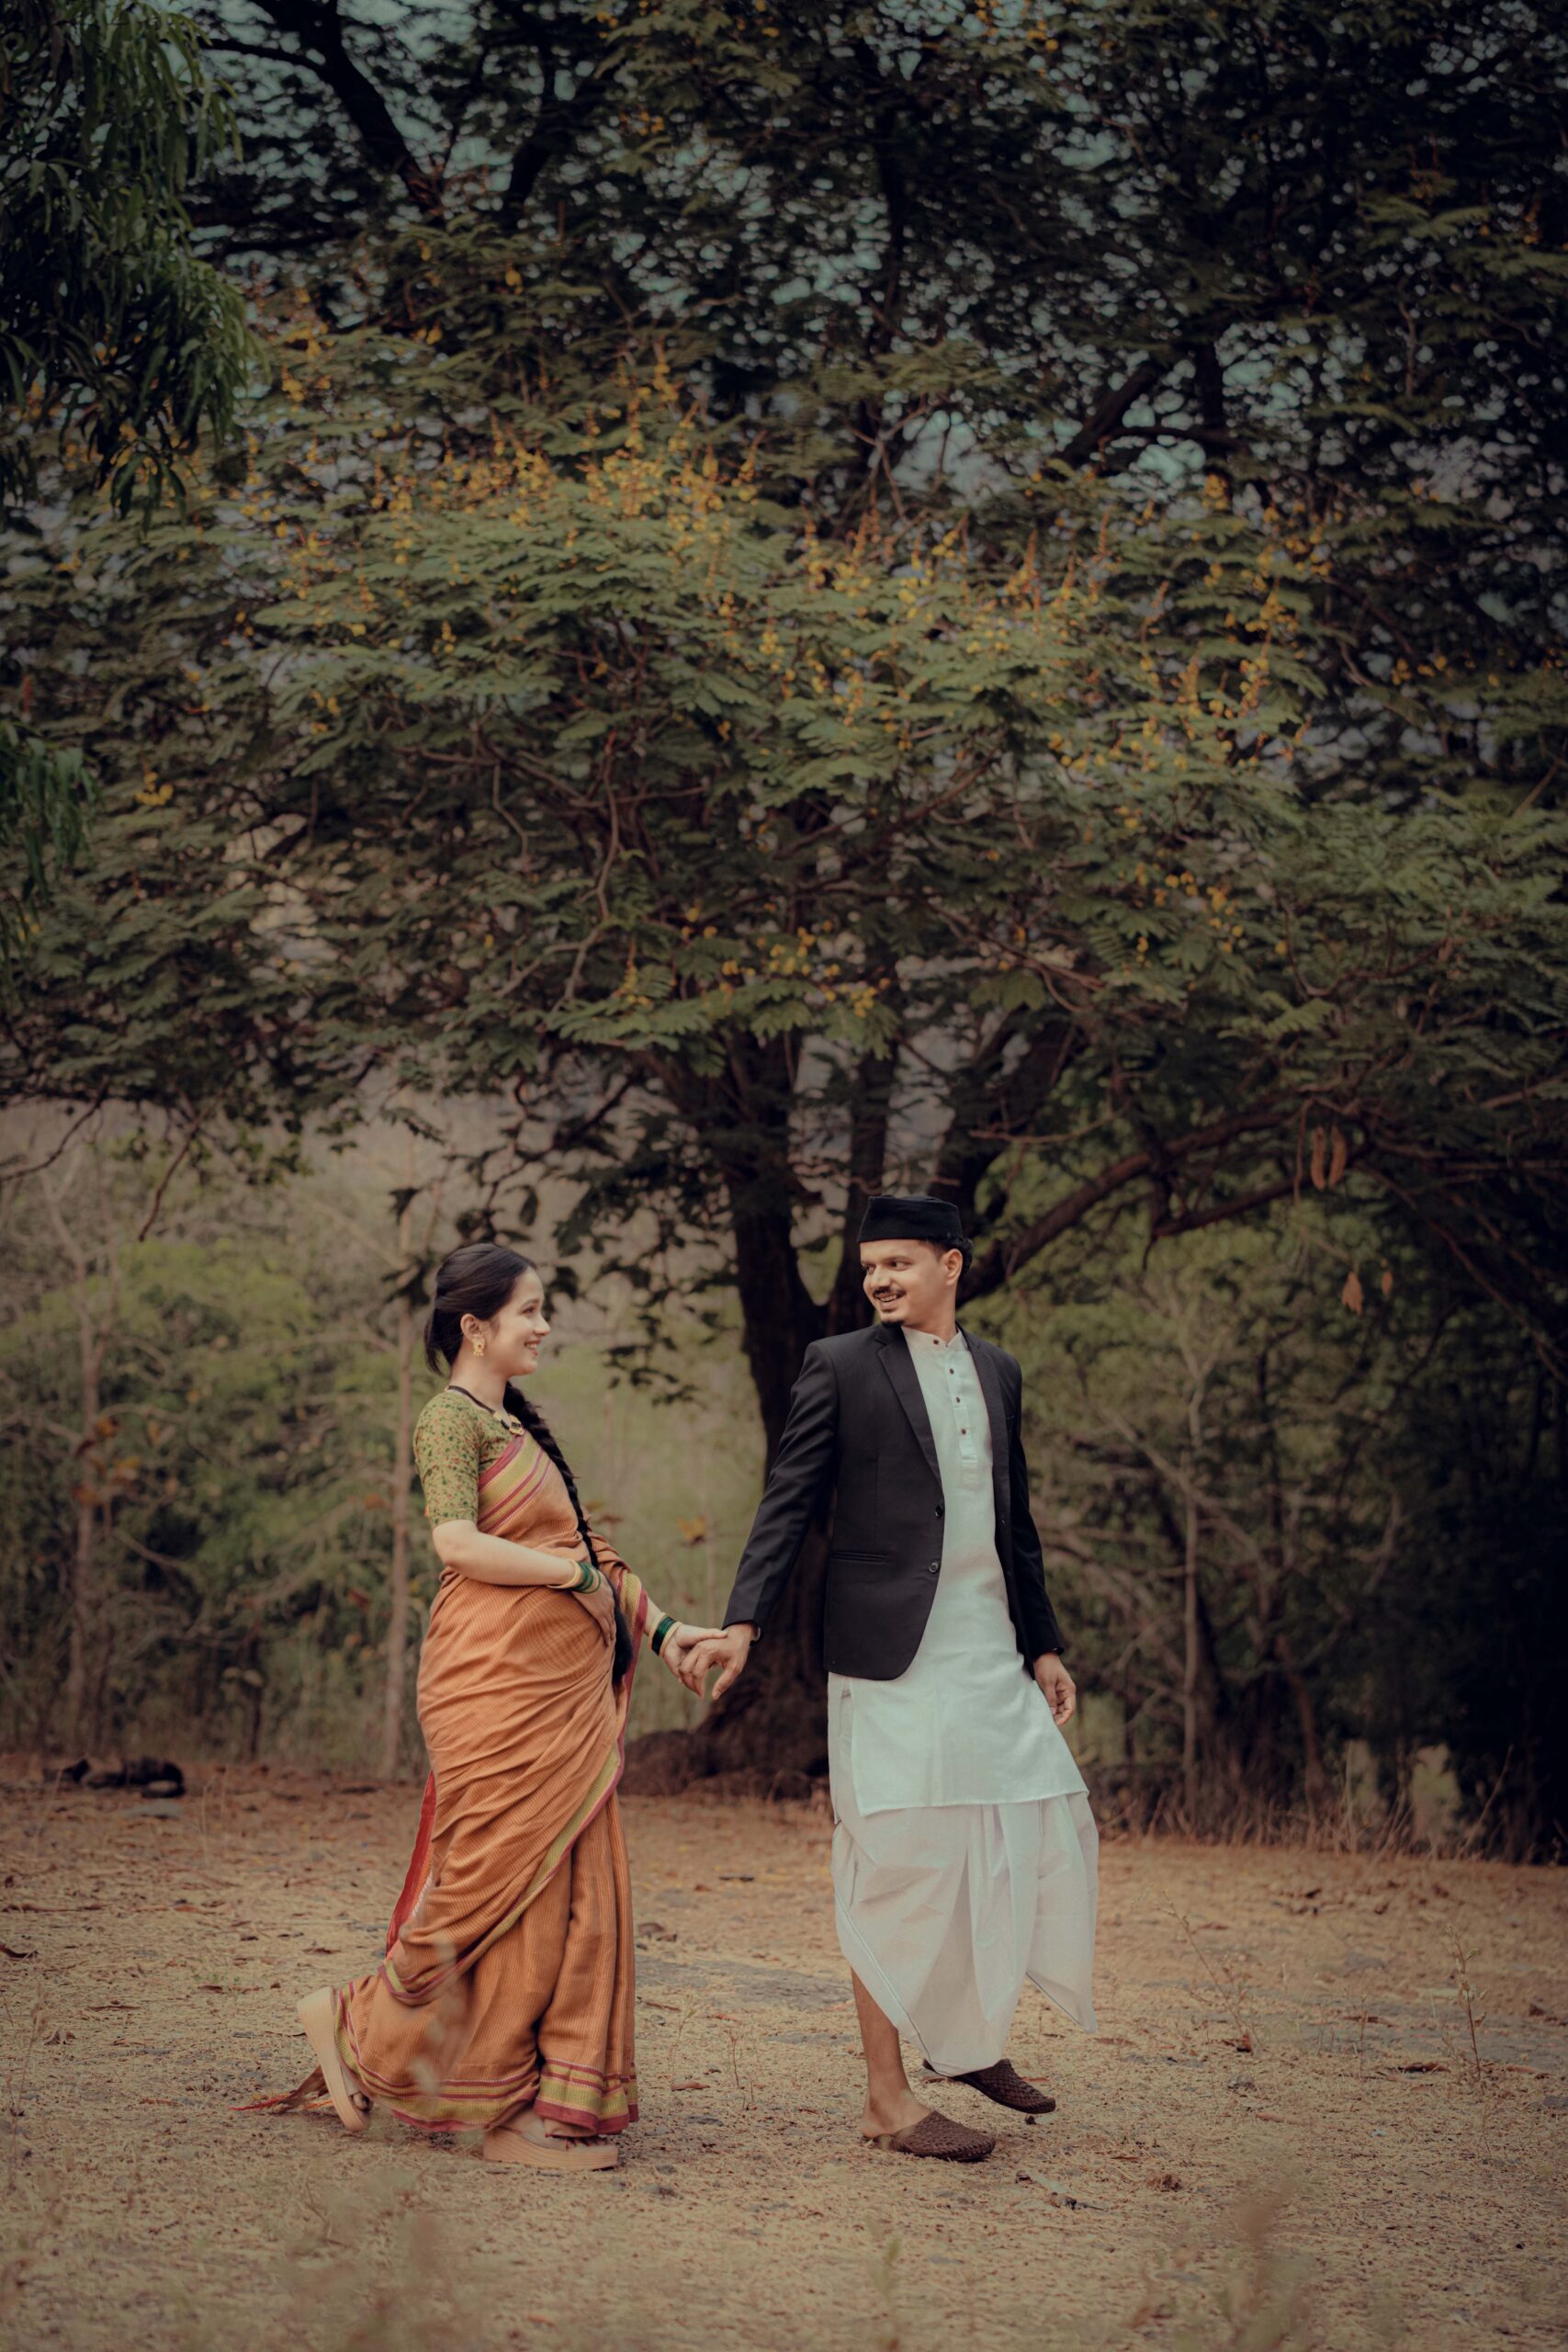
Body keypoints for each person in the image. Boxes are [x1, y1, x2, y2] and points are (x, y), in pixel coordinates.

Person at [267, 1241, 716, 2173]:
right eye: (530, 1311)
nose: (544, 1326)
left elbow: (592, 1552)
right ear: (475, 1327)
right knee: (482, 1888)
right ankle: (369, 2028)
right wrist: (569, 1578)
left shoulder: (518, 1429)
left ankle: (537, 2104)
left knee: (568, 1899)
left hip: (559, 1704)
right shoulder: (448, 1419)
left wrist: (667, 1632)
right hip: (490, 1686)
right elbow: (459, 1544)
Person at [687, 1194, 1098, 2164]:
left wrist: (1042, 1645)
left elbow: (1014, 1522)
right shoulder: (838, 1365)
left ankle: (966, 2045)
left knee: (1010, 1837)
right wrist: (743, 1622)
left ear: (951, 1264)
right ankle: (886, 2098)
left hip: (989, 1649)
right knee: (894, 1863)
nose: (878, 1279)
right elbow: (787, 1500)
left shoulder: (999, 1370)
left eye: (898, 1262)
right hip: (887, 1655)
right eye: (870, 1265)